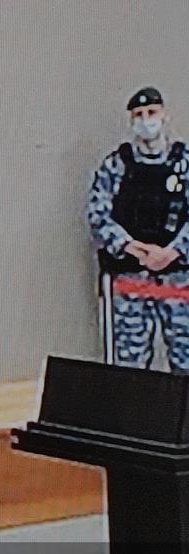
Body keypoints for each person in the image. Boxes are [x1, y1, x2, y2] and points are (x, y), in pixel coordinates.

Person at [89, 86, 189, 371]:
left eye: (152, 112)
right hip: (129, 281)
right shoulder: (116, 166)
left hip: (178, 281)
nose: (146, 121)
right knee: (128, 367)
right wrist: (130, 246)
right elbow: (98, 214)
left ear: (164, 115)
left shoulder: (184, 164)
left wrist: (173, 252)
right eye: (139, 114)